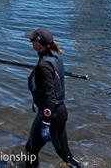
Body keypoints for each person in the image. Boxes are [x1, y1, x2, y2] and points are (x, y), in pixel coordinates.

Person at [24, 28, 81, 168]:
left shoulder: (44, 65)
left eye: (32, 40)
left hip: (50, 114)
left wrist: (46, 123)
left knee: (31, 150)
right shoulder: (55, 57)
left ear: (39, 43)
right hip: (60, 112)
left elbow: (49, 96)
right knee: (64, 153)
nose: (30, 42)